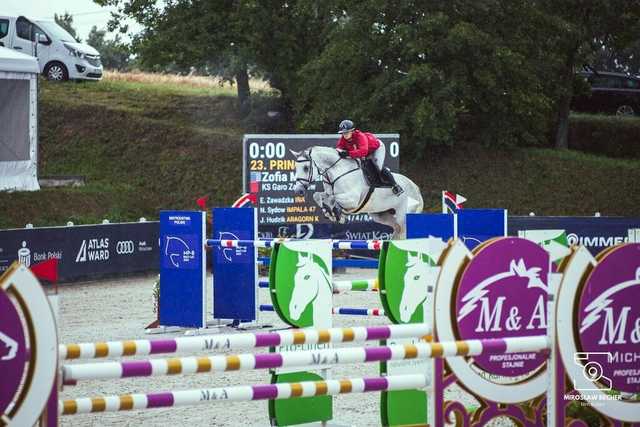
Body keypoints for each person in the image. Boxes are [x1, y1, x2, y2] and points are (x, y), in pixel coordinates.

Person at [336, 119, 403, 195]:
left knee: (379, 166)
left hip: (376, 148)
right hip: (365, 153)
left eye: (347, 132)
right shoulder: (343, 139)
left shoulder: (360, 136)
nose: (345, 135)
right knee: (365, 167)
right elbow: (338, 149)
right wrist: (340, 152)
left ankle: (395, 186)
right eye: (343, 133)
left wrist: (348, 154)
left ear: (352, 131)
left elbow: (363, 151)